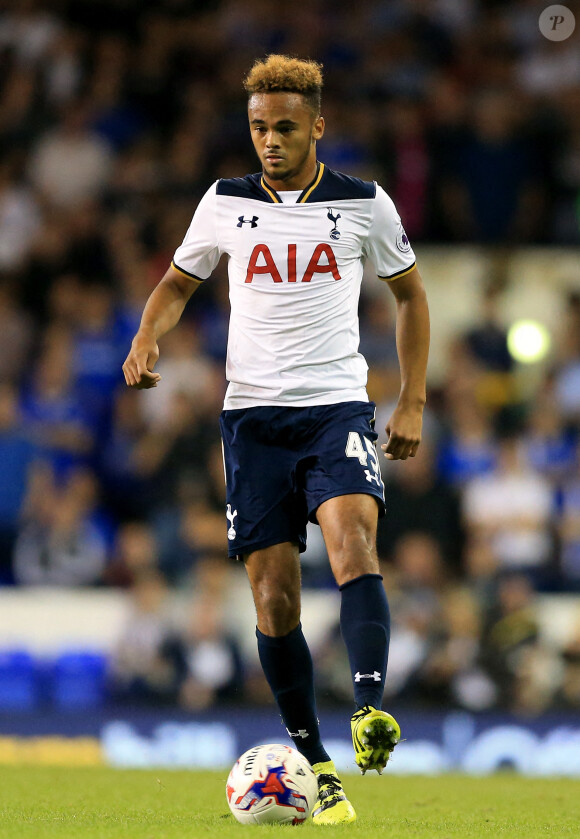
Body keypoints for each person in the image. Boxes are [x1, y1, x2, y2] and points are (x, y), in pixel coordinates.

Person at [123, 55, 429, 825]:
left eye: (285, 127)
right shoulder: (224, 202)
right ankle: (319, 767)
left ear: (317, 126)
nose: (269, 140)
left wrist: (411, 397)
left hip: (335, 407)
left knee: (353, 537)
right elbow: (177, 282)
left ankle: (367, 707)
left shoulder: (363, 204)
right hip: (252, 419)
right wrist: (148, 336)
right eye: (259, 127)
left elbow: (410, 294)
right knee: (271, 593)